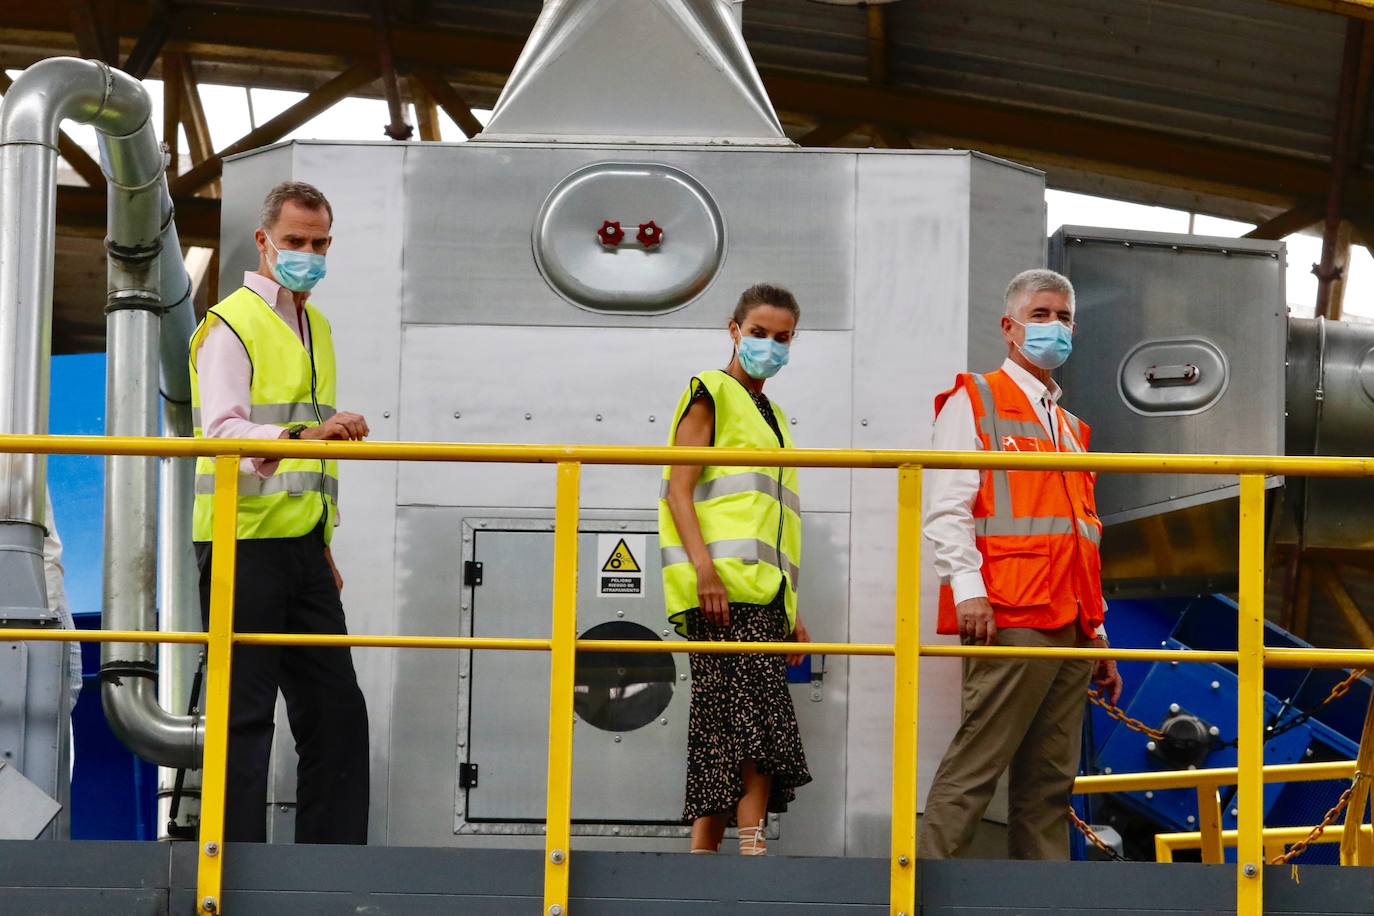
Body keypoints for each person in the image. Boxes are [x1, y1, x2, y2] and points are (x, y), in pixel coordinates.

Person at [920, 268, 1123, 860]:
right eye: (1040, 315)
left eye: (1062, 317)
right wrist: (967, 591)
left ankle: (1043, 899)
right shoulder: (976, 399)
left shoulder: (1068, 427)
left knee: (1049, 785)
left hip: (1070, 622)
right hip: (1011, 612)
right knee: (976, 766)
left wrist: (1099, 630)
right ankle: (917, 891)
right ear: (1009, 328)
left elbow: (1081, 535)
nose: (1053, 326)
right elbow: (946, 504)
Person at [189, 180, 370, 844]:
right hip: (243, 544)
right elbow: (223, 432)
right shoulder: (231, 323)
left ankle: (331, 868)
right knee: (245, 714)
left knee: (337, 712)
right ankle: (233, 871)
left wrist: (322, 543)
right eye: (295, 241)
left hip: (301, 548)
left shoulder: (313, 324)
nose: (309, 254)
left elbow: (308, 456)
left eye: (320, 243)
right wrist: (302, 438)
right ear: (264, 241)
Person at [659, 283, 812, 857]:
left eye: (782, 338)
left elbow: (775, 526)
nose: (769, 345)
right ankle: (750, 848)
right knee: (747, 721)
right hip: (721, 590)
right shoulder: (712, 392)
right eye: (759, 334)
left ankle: (706, 855)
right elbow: (679, 488)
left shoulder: (771, 415)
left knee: (733, 723)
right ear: (733, 330)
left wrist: (793, 612)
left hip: (763, 597)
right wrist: (704, 570)